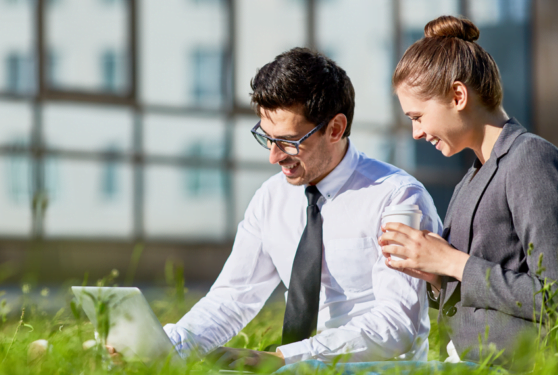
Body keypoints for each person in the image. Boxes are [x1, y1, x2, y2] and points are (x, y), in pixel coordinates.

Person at [162, 47, 443, 371]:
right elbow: (233, 297)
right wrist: (170, 346)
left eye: (289, 141)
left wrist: (286, 358)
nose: (274, 156)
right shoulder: (271, 198)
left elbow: (397, 325)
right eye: (266, 138)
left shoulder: (396, 197)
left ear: (335, 129)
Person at [380, 15, 558, 367]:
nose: (415, 133)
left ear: (457, 95)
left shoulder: (530, 158)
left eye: (417, 117)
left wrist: (453, 262)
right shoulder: (469, 179)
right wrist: (435, 274)